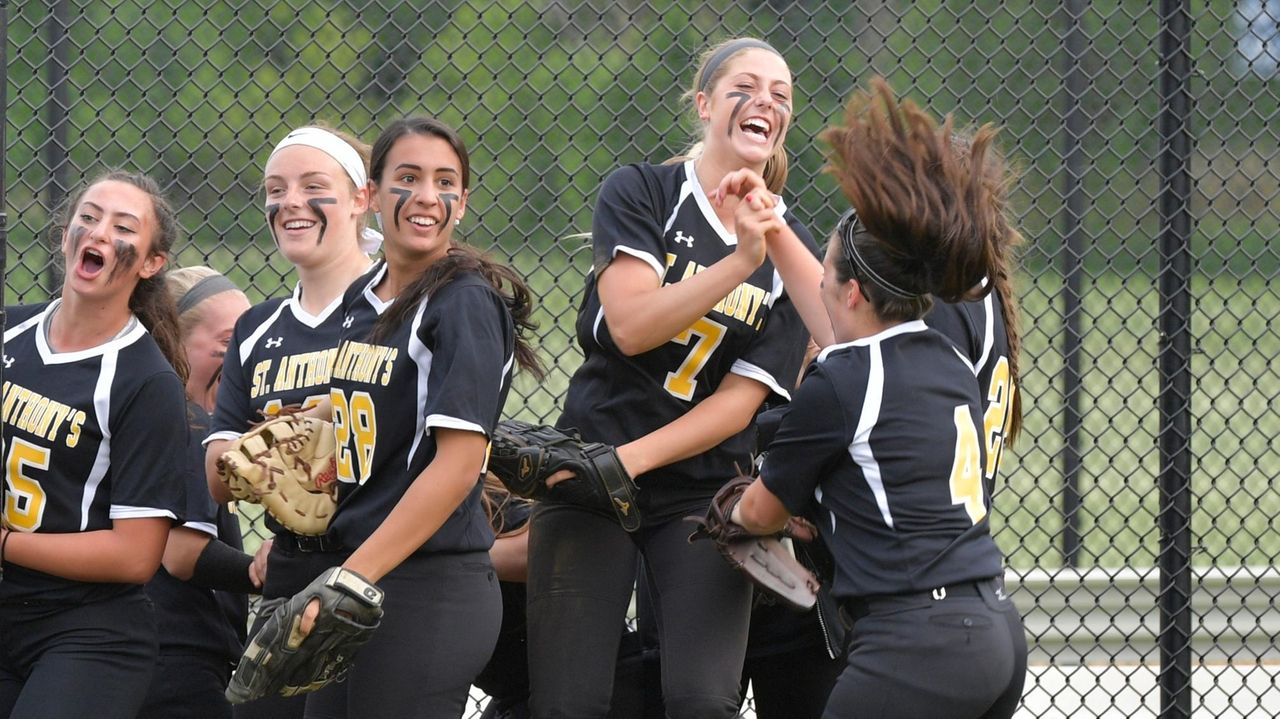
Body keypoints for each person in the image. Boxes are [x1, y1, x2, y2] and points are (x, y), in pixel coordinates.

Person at [525, 37, 817, 719]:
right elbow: (631, 324)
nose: (765, 103)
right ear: (705, 103)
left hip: (698, 485)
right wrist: (737, 263)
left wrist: (632, 461)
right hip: (591, 467)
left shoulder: (784, 239)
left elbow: (741, 401)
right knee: (568, 703)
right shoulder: (643, 191)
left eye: (781, 95)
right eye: (746, 86)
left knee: (701, 699)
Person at [729, 79, 1027, 719]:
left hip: (915, 618)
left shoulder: (938, 320)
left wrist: (792, 479)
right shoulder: (969, 304)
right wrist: (776, 224)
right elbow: (845, 314)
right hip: (985, 612)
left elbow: (850, 344)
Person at [293, 115, 542, 717]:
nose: (427, 196)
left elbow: (457, 468)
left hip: (426, 587)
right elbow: (383, 397)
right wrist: (306, 426)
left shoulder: (462, 304)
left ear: (462, 200)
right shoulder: (365, 295)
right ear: (371, 195)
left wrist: (350, 577)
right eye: (408, 177)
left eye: (445, 181)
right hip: (362, 570)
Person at [0, 171, 190, 718]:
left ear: (152, 262)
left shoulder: (144, 381)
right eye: (89, 216)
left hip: (85, 631)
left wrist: (6, 543)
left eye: (123, 226)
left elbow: (134, 555)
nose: (100, 231)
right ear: (65, 237)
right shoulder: (9, 333)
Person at [201, 124, 376, 719]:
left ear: (360, 198)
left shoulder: (397, 309)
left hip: (379, 569)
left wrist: (325, 432)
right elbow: (216, 474)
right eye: (276, 189)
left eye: (312, 185)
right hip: (291, 573)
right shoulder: (256, 327)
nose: (289, 202)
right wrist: (269, 457)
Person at [138, 267, 258, 719]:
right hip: (177, 663)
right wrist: (274, 572)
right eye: (229, 345)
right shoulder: (186, 420)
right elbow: (182, 553)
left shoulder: (133, 410)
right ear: (171, 339)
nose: (244, 362)